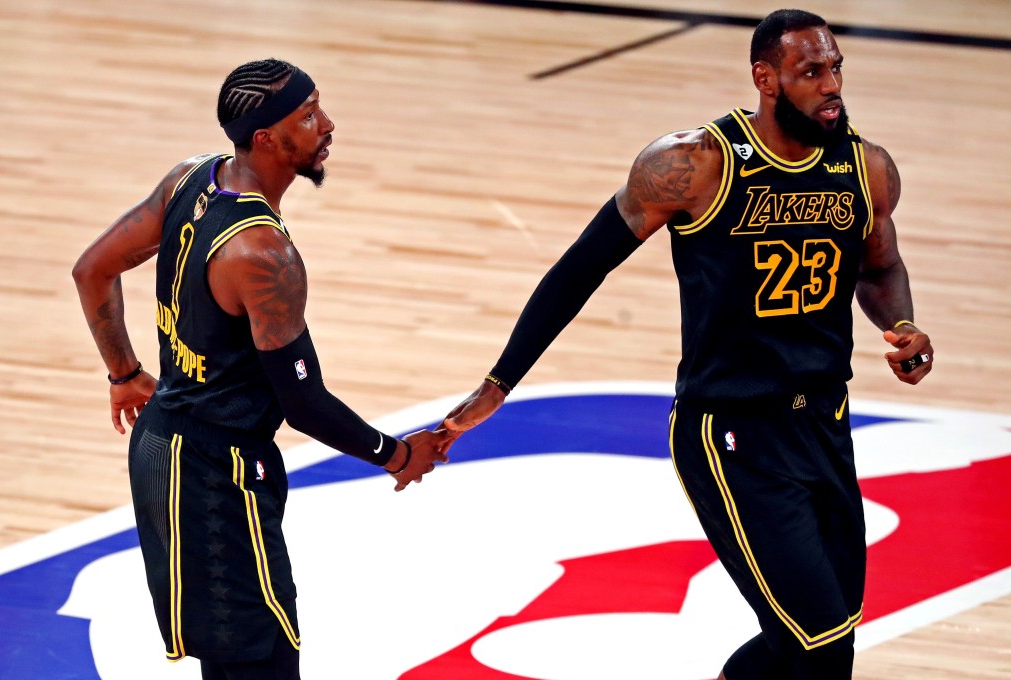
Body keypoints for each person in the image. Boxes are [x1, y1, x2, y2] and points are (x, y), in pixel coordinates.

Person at [439, 9, 933, 680]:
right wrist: (499, 383)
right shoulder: (695, 164)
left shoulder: (864, 167)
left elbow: (879, 268)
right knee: (820, 644)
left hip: (823, 420)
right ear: (766, 79)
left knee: (823, 631)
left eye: (836, 68)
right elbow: (580, 268)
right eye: (811, 72)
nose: (831, 86)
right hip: (732, 431)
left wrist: (902, 326)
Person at [73, 58, 449, 679]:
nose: (327, 125)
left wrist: (124, 373)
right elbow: (304, 402)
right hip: (216, 473)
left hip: (165, 447)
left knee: (237, 663)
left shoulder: (189, 179)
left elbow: (92, 269)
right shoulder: (263, 254)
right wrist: (396, 455)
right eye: (309, 115)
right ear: (268, 139)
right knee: (262, 664)